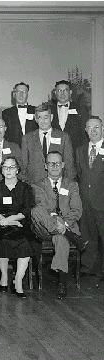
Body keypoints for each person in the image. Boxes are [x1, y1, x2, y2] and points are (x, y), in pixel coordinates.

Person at [31, 151, 84, 299]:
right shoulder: (37, 186)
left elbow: (76, 210)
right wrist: (57, 221)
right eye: (51, 163)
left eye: (58, 163)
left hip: (65, 225)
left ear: (63, 165)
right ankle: (67, 232)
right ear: (45, 166)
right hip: (44, 228)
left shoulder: (72, 185)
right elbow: (42, 206)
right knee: (36, 211)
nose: (54, 166)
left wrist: (64, 223)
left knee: (61, 239)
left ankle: (62, 282)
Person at [0, 156, 33, 298]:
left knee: (25, 242)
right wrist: (4, 220)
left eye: (12, 167)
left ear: (17, 170)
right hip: (0, 223)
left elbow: (26, 210)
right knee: (1, 240)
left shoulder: (25, 188)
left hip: (19, 222)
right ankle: (4, 277)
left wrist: (11, 219)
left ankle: (18, 281)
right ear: (1, 170)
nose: (8, 170)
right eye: (5, 167)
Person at [75, 117, 104, 278]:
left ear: (102, 128)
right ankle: (89, 268)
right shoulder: (80, 150)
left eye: (96, 127)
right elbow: (81, 175)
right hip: (86, 202)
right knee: (88, 236)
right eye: (89, 128)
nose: (93, 131)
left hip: (102, 201)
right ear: (85, 130)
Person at [21, 103, 75, 184]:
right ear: (36, 119)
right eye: (39, 117)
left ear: (51, 117)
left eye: (46, 117)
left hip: (58, 183)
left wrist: (68, 186)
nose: (43, 121)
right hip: (34, 184)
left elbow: (69, 164)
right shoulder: (27, 138)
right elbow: (24, 165)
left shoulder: (64, 137)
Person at [50, 80, 88, 153]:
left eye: (65, 90)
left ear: (70, 92)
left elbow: (85, 133)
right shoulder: (49, 110)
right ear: (55, 93)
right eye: (59, 90)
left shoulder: (81, 109)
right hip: (54, 153)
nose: (62, 94)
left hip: (75, 153)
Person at [2, 82, 38, 147]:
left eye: (24, 92)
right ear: (14, 95)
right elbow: (5, 135)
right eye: (18, 92)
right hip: (14, 149)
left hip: (33, 149)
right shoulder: (6, 113)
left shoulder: (36, 111)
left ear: (27, 94)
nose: (21, 95)